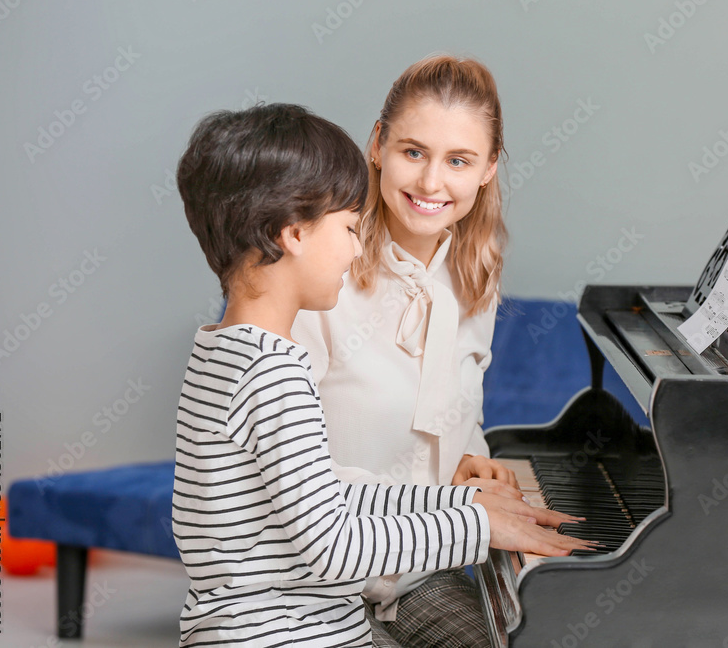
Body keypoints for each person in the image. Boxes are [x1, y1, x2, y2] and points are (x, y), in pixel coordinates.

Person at [171, 103, 589, 647]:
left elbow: (324, 493)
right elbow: (333, 547)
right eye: (348, 227)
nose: (354, 247)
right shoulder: (274, 377)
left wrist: (461, 503)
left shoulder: (226, 354)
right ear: (294, 233)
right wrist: (478, 528)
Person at [290, 55, 518, 646]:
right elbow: (288, 471)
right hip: (312, 580)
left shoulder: (476, 277)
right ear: (377, 146)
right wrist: (468, 520)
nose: (431, 183)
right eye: (413, 152)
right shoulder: (318, 274)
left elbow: (460, 404)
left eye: (459, 160)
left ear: (489, 169)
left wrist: (470, 450)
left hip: (421, 576)